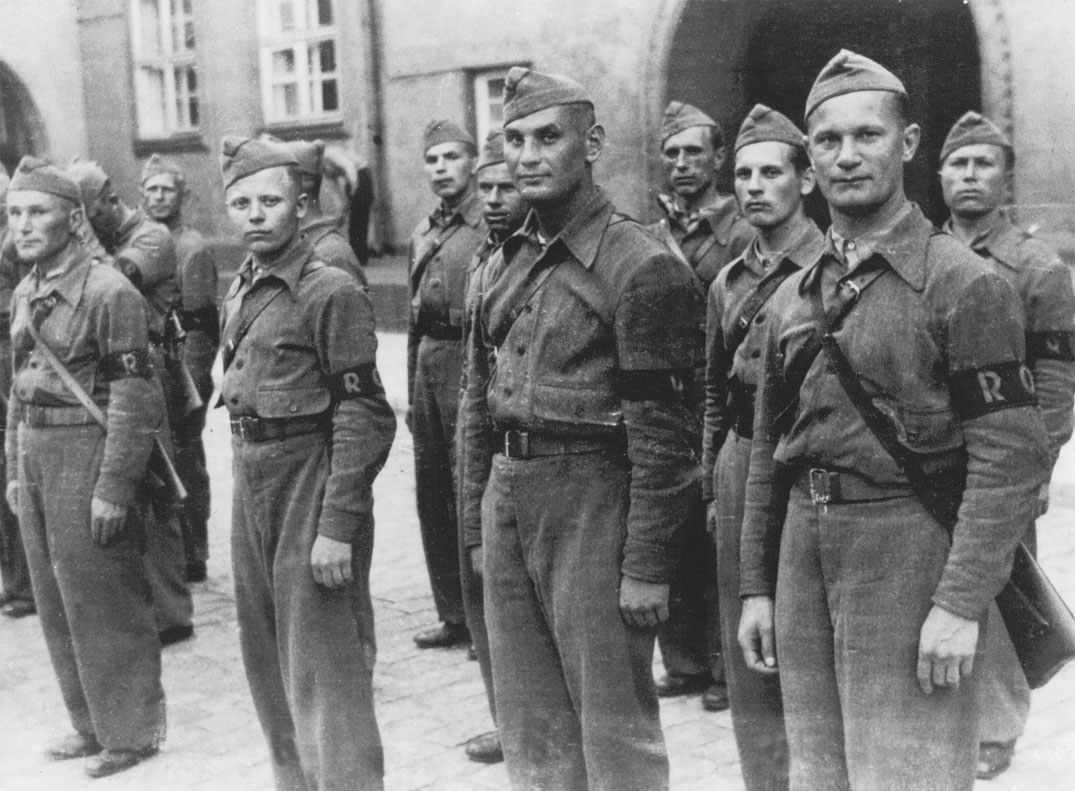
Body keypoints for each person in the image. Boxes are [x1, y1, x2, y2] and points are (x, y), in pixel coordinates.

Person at [737, 50, 1050, 791]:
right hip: (803, 552)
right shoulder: (791, 297)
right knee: (818, 770)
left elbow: (1009, 458)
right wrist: (756, 585)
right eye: (828, 140)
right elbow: (766, 452)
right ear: (810, 158)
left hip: (908, 550)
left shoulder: (962, 283)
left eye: (867, 135)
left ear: (906, 144)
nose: (847, 156)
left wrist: (959, 603)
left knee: (907, 772)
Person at [460, 67, 701, 790]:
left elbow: (665, 442)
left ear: (590, 143)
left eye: (548, 137)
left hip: (594, 502)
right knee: (528, 717)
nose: (528, 156)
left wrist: (647, 566)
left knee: (612, 725)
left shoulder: (641, 266)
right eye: (514, 141)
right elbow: (477, 405)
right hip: (510, 497)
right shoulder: (503, 261)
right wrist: (478, 525)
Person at [218, 136, 395, 791]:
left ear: (299, 204)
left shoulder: (329, 290)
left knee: (326, 662)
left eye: (269, 201)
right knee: (265, 655)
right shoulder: (244, 286)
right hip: (252, 479)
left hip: (309, 483)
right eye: (241, 203)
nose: (255, 215)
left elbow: (365, 414)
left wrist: (336, 526)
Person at [4, 157, 166, 778]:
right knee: (55, 598)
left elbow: (135, 396)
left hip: (86, 452)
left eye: (37, 212)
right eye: (14, 214)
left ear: (73, 220)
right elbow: (18, 389)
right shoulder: (27, 289)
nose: (22, 226)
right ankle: (89, 723)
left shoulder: (108, 292)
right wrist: (14, 469)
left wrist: (115, 486)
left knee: (104, 596)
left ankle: (132, 731)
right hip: (37, 454)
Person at [938, 110, 1075, 780]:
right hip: (934, 456)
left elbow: (1055, 381)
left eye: (982, 163)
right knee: (942, 585)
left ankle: (997, 726)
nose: (969, 175)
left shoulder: (1037, 267)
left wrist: (1035, 466)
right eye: (957, 164)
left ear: (1005, 177)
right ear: (939, 176)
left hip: (1004, 460)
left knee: (1001, 588)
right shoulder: (919, 255)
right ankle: (947, 712)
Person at [703, 104, 823, 791]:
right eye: (743, 174)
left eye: (771, 172)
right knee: (746, 641)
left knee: (803, 640)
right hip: (739, 460)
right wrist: (710, 480)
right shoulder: (727, 282)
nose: (754, 186)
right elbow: (713, 390)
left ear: (804, 180)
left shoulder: (831, 269)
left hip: (801, 467)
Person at [648, 100, 753, 711]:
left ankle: (723, 666)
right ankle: (683, 659)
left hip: (718, 392)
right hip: (666, 399)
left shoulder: (741, 230)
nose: (682, 164)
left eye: (694, 152)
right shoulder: (652, 229)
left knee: (721, 534)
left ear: (718, 159)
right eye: (672, 154)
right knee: (672, 527)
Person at [68, 158, 194, 647]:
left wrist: (83, 238)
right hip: (113, 371)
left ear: (106, 201)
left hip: (148, 369)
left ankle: (172, 613)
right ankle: (145, 602)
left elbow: (108, 283)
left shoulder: (152, 238)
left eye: (83, 213)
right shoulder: (114, 233)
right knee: (125, 485)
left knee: (156, 484)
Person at [455, 129, 528, 765]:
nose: (496, 198)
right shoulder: (483, 261)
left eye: (508, 186)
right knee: (486, 593)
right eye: (487, 188)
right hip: (481, 432)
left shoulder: (533, 261)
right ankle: (508, 719)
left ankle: (529, 726)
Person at [409, 119, 485, 650]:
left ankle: (484, 621)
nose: (441, 168)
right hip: (428, 360)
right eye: (432, 160)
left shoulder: (488, 222)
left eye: (452, 157)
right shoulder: (423, 230)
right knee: (433, 489)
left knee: (469, 488)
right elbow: (414, 317)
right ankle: (452, 612)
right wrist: (411, 389)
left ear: (473, 163)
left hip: (467, 356)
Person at [141, 153, 219, 583]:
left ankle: (194, 551)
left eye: (166, 189)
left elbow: (202, 326)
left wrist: (194, 383)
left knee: (187, 457)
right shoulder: (143, 244)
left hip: (182, 369)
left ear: (181, 196)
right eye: (151, 189)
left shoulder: (192, 248)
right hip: (152, 367)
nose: (158, 197)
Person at [0, 167, 35, 619]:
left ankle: (27, 585)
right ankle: (16, 581)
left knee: (13, 465)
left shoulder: (14, 242)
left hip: (8, 357)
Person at [287, 139, 368, 287]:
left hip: (359, 176)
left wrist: (354, 189)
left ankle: (361, 255)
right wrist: (343, 208)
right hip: (353, 180)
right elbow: (337, 190)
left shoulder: (329, 155)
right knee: (355, 221)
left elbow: (349, 167)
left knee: (359, 220)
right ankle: (359, 254)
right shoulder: (322, 170)